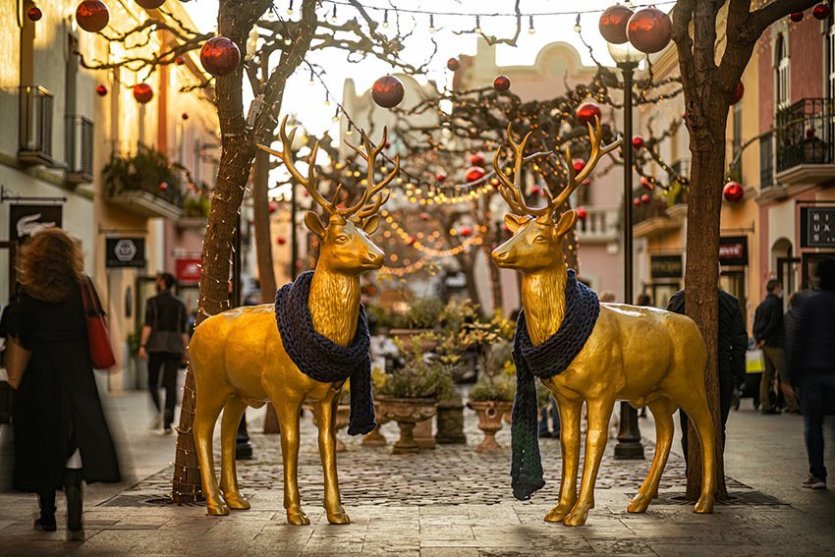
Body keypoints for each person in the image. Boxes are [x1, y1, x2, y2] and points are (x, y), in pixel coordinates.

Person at [0, 228, 120, 540]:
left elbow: (19, 335)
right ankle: (74, 492)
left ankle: (48, 514)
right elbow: (97, 322)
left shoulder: (28, 291)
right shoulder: (82, 287)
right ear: (71, 256)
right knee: (75, 440)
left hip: (39, 378)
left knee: (42, 443)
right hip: (76, 376)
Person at [667, 284, 747, 462]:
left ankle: (692, 469)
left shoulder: (678, 300)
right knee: (718, 425)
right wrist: (738, 373)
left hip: (685, 372)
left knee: (688, 423)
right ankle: (713, 467)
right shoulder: (730, 302)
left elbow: (667, 335)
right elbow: (740, 341)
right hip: (722, 369)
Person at [786, 258, 835, 490]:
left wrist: (791, 375)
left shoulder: (809, 303)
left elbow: (798, 340)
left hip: (812, 373)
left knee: (813, 424)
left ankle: (818, 473)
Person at [139, 272, 189, 434]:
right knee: (170, 384)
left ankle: (159, 411)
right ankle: (168, 421)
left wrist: (142, 345)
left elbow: (148, 325)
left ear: (162, 283)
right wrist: (185, 350)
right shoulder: (180, 304)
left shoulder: (152, 302)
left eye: (158, 280)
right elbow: (183, 331)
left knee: (153, 382)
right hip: (174, 346)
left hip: (156, 345)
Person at [753, 279, 798, 414]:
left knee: (767, 374)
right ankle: (792, 404)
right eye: (780, 287)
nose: (781, 290)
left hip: (764, 345)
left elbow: (755, 325)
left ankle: (765, 404)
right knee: (784, 375)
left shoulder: (761, 305)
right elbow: (774, 323)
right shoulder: (776, 304)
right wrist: (765, 338)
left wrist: (759, 339)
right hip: (775, 344)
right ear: (776, 288)